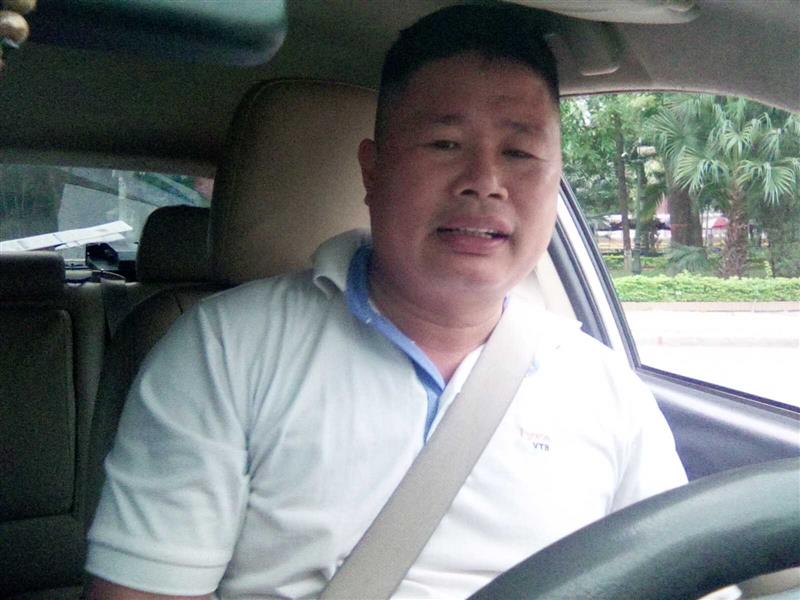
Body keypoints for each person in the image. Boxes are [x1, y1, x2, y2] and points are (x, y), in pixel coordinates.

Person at [86, 4, 687, 598]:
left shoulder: (605, 388)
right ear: (373, 172)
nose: (484, 181)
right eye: (445, 143)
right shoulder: (224, 349)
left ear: (556, 180)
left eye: (520, 153)